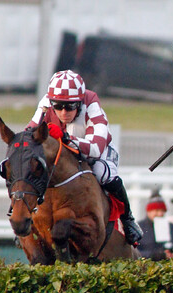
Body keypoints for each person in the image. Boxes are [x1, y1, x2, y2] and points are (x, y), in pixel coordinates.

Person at [29, 70, 143, 246]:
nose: (64, 112)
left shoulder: (91, 104)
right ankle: (26, 218)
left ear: (80, 104)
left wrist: (66, 138)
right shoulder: (45, 104)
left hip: (97, 150)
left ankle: (128, 219)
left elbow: (96, 148)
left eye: (70, 106)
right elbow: (29, 135)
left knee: (104, 175)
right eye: (58, 106)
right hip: (66, 152)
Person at [137, 191, 173, 261]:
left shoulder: (171, 227)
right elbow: (136, 252)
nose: (160, 214)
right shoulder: (139, 228)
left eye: (162, 211)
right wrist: (155, 255)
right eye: (156, 211)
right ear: (148, 211)